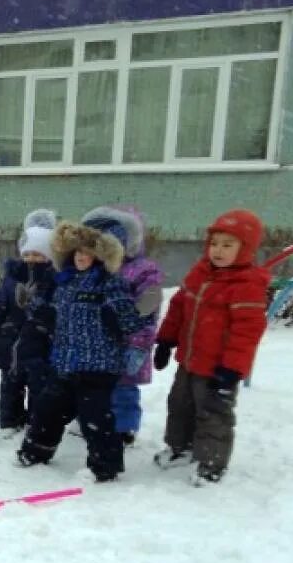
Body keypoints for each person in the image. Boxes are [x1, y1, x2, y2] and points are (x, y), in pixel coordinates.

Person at [16, 221, 151, 482]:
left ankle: (105, 466)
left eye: (87, 253)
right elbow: (51, 311)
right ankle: (36, 452)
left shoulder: (109, 285)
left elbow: (130, 318)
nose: (81, 257)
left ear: (99, 257)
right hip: (65, 363)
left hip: (98, 366)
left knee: (95, 418)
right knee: (48, 409)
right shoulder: (64, 282)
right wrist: (32, 306)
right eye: (77, 252)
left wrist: (126, 316)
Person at [152, 210, 269, 486]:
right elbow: (179, 306)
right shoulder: (200, 273)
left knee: (213, 413)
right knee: (180, 405)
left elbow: (247, 332)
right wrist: (166, 341)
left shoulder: (247, 285)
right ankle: (180, 447)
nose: (218, 251)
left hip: (218, 368)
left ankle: (211, 463)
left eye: (228, 245)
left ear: (246, 249)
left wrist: (232, 369)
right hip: (189, 361)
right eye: (215, 243)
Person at [80, 205, 163, 446]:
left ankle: (125, 427)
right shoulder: (92, 269)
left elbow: (149, 305)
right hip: (95, 343)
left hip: (128, 343)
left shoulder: (141, 270)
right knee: (94, 386)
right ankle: (93, 421)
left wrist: (138, 342)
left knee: (123, 388)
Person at [0, 208, 57, 434]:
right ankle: (9, 421)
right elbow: (0, 305)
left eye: (39, 254)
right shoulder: (12, 277)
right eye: (28, 254)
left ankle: (35, 421)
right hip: (10, 341)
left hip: (39, 343)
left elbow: (56, 310)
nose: (32, 259)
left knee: (38, 386)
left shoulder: (53, 279)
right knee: (10, 384)